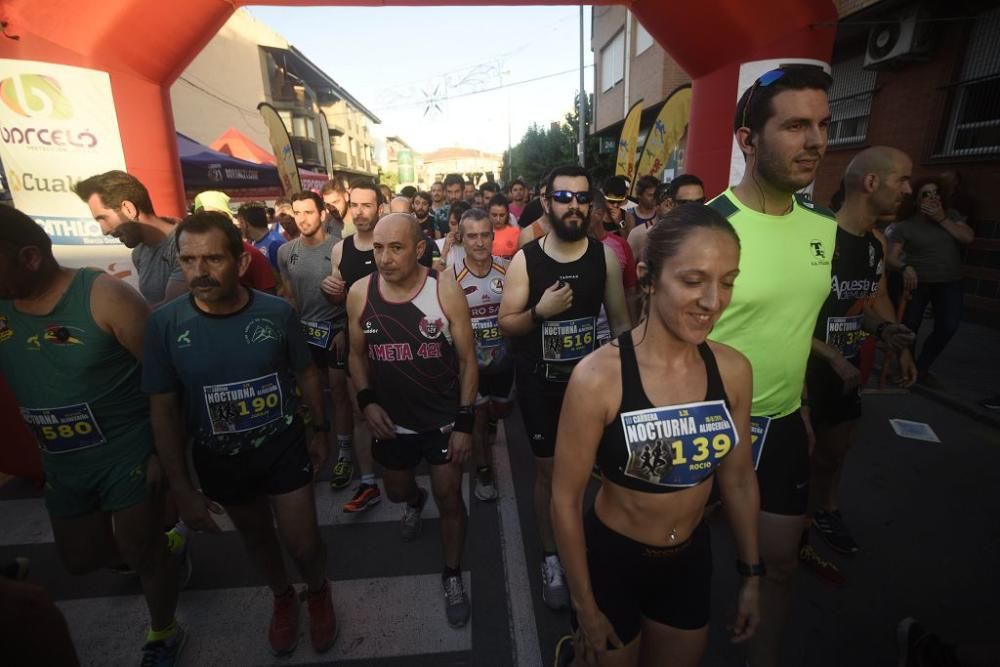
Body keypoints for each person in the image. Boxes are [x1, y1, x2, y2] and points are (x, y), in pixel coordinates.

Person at [552, 205, 760, 667]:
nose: (714, 300)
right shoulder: (597, 378)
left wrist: (752, 573)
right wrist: (585, 607)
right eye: (693, 281)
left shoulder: (734, 370)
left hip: (688, 561)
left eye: (727, 280)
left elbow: (740, 479)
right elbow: (565, 498)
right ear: (647, 277)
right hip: (611, 563)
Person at [143, 211, 337, 658]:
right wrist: (183, 488)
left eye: (213, 259)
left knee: (304, 542)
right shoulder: (165, 325)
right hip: (221, 458)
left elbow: (306, 372)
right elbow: (163, 409)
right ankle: (283, 598)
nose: (200, 272)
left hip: (283, 446)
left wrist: (320, 428)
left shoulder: (277, 312)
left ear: (242, 263)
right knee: (256, 539)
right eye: (188, 261)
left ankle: (317, 590)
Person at [0, 206, 183, 664]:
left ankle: (164, 630)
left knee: (142, 555)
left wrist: (168, 455)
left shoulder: (105, 296)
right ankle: (163, 542)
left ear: (29, 257)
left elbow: (164, 381)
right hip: (62, 462)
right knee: (81, 559)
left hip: (126, 454)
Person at [706, 64, 836, 667]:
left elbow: (793, 328)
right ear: (747, 139)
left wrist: (802, 402)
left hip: (780, 425)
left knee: (779, 566)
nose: (815, 141)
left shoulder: (823, 231)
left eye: (822, 125)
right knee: (679, 563)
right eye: (795, 126)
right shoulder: (704, 227)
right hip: (703, 422)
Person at [499, 164, 631, 610]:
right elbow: (507, 324)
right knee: (550, 474)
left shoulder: (604, 256)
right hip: (539, 383)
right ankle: (553, 556)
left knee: (600, 470)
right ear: (545, 201)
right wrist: (540, 310)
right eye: (563, 198)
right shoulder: (527, 258)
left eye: (580, 198)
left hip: (589, 388)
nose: (574, 206)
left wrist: (630, 381)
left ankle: (586, 545)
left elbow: (619, 325)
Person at [345, 212, 478, 628]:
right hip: (392, 422)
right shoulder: (359, 292)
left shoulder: (444, 290)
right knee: (398, 490)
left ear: (419, 249)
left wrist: (464, 423)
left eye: (396, 248)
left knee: (450, 497)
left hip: (441, 420)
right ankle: (412, 503)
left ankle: (452, 574)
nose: (383, 258)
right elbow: (355, 354)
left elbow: (468, 361)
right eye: (378, 248)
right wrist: (366, 401)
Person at [804, 147, 919, 563]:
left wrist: (887, 332)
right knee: (792, 459)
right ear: (871, 183)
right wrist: (830, 356)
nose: (909, 189)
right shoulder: (815, 239)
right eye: (902, 180)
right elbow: (785, 318)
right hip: (801, 374)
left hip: (845, 370)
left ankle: (826, 512)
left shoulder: (874, 243)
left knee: (835, 452)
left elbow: (863, 304)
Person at [277, 191, 355, 490]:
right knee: (310, 397)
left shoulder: (341, 248)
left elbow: (355, 294)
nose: (302, 219)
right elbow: (290, 295)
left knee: (339, 394)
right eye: (296, 213)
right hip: (304, 333)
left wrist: (345, 330)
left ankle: (345, 455)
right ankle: (317, 443)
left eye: (308, 212)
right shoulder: (285, 252)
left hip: (336, 332)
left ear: (322, 214)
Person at [323, 179, 389, 513]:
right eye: (356, 205)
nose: (361, 212)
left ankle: (398, 476)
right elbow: (340, 299)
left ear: (380, 208)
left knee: (395, 411)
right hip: (356, 343)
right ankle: (368, 482)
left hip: (394, 341)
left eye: (368, 205)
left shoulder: (392, 245)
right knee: (363, 413)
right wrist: (331, 295)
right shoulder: (340, 249)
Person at [887, 178, 975, 385]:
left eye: (936, 193)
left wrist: (942, 219)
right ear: (916, 201)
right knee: (910, 329)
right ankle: (904, 368)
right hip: (917, 283)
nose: (933, 197)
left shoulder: (950, 216)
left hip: (949, 282)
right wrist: (904, 267)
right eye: (926, 194)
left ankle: (922, 367)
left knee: (948, 325)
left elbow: (968, 237)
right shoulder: (904, 226)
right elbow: (890, 257)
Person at [453, 208, 514, 501]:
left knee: (500, 411)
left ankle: (494, 415)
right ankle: (483, 469)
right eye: (472, 236)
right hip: (471, 366)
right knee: (477, 416)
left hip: (504, 363)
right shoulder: (450, 277)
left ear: (493, 236)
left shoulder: (510, 270)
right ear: (461, 239)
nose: (479, 243)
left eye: (484, 235)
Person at [74, 170, 187, 306]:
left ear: (129, 209)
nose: (104, 231)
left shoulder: (185, 245)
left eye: (104, 218)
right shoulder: (139, 254)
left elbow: (173, 308)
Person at [193, 191, 278, 295]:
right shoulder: (190, 254)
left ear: (227, 218)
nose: (206, 222)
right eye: (200, 216)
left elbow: (270, 296)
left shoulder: (252, 254)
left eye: (213, 216)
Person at [589, 191, 640, 334]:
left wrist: (634, 333)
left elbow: (630, 292)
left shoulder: (621, 245)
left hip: (612, 334)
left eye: (584, 210)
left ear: (598, 214)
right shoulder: (567, 246)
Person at [627, 174, 705, 261]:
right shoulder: (647, 236)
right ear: (670, 203)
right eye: (685, 203)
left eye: (699, 202)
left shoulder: (712, 235)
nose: (693, 208)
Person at [239, 202, 285, 270]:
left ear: (246, 223)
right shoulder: (254, 242)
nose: (240, 226)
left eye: (241, 222)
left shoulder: (275, 244)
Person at [436, 201, 470, 269]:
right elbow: (436, 274)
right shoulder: (437, 245)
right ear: (448, 222)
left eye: (461, 225)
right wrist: (445, 250)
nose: (457, 229)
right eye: (453, 224)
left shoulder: (475, 245)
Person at [601, 175, 636, 240]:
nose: (615, 205)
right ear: (603, 196)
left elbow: (629, 244)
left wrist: (620, 223)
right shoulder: (594, 214)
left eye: (619, 202)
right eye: (611, 201)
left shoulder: (628, 217)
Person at [488, 194, 520, 260]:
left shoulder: (516, 233)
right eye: (494, 215)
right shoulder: (483, 233)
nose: (498, 219)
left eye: (502, 215)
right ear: (488, 213)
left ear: (507, 214)